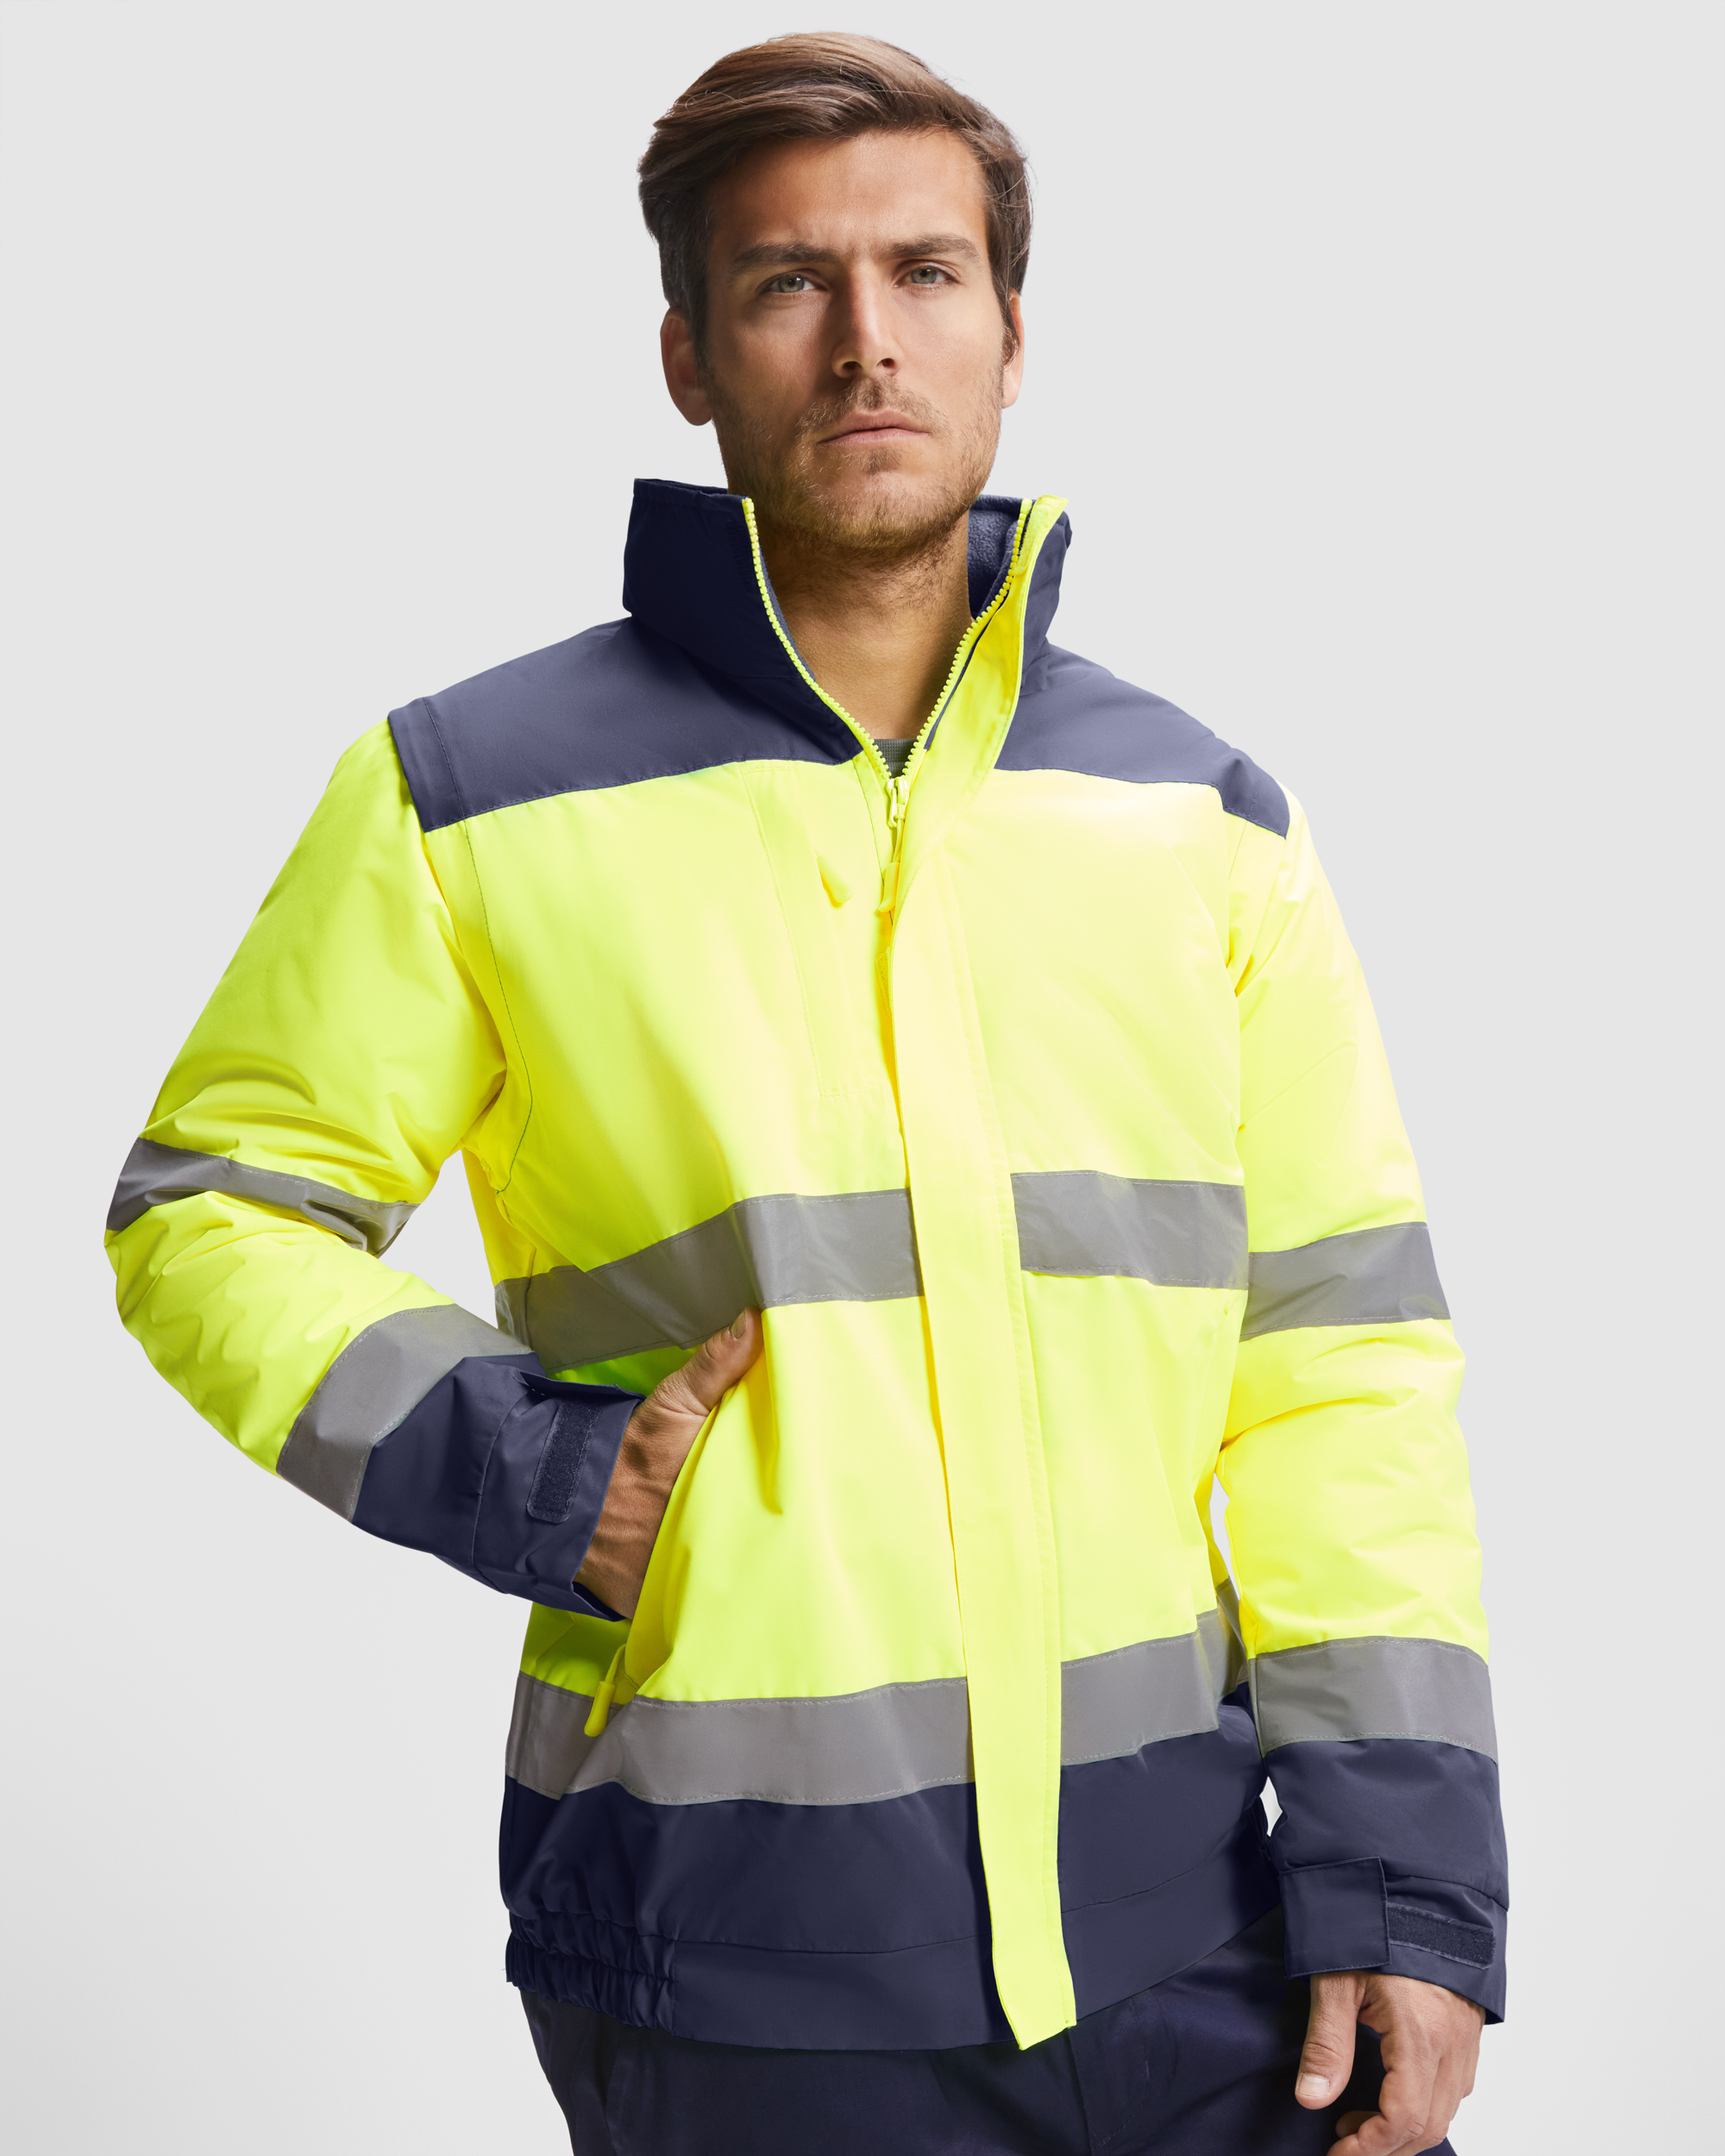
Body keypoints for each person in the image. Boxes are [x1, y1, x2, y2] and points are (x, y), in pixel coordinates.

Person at [105, 33, 1506, 2156]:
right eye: (788, 284)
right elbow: (209, 1205)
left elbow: (1342, 1362)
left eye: (927, 274)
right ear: (688, 354)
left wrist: (1399, 1874)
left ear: (1010, 333)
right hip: (740, 1963)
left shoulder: (1202, 818)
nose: (868, 341)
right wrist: (540, 1474)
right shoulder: (466, 796)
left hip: (1202, 1942)